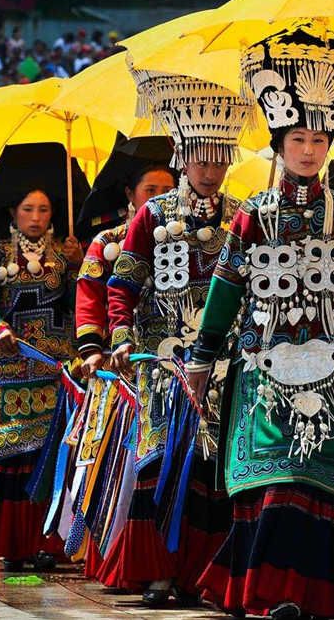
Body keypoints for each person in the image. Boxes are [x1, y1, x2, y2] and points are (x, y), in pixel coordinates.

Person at [186, 26, 334, 620]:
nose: (309, 149)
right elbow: (225, 289)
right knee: (276, 480)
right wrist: (203, 355)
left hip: (328, 363)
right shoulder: (252, 215)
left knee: (315, 481)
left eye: (320, 139)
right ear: (279, 144)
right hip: (263, 365)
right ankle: (270, 591)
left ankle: (309, 593)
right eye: (298, 138)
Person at [104, 67, 251, 606]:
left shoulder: (243, 215)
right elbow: (124, 282)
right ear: (181, 155)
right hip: (164, 360)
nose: (211, 169)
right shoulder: (154, 214)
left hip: (226, 359)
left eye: (220, 157)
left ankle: (206, 575)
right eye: (201, 157)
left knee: (217, 467)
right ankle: (159, 571)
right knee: (163, 458)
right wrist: (119, 334)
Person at [0, 142, 86, 571]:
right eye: (28, 210)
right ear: (13, 214)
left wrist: (80, 267)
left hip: (57, 370)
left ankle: (49, 545)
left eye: (42, 209)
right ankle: (14, 545)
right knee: (13, 456)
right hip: (9, 365)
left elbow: (83, 302)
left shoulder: (69, 251)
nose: (37, 217)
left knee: (53, 456)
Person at [73, 135, 175, 583]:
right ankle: (119, 561)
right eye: (150, 190)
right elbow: (90, 297)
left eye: (167, 189)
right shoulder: (107, 243)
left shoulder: (186, 233)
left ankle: (165, 561)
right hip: (120, 367)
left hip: (168, 361)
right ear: (131, 195)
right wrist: (94, 348)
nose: (160, 197)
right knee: (120, 463)